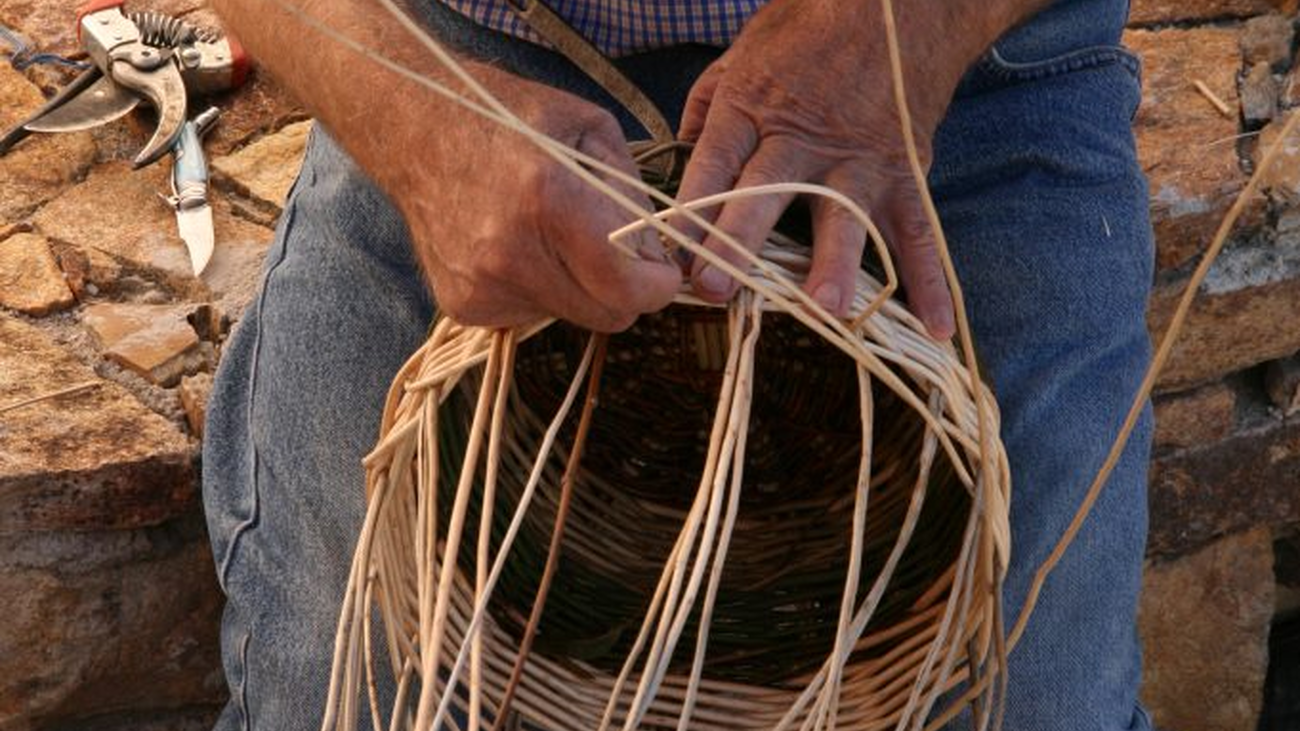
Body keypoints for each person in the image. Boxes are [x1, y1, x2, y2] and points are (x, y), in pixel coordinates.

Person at [201, 0, 1156, 728]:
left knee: (1029, 683)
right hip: (452, 68)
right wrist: (416, 126)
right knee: (353, 677)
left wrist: (902, 23)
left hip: (953, 62)